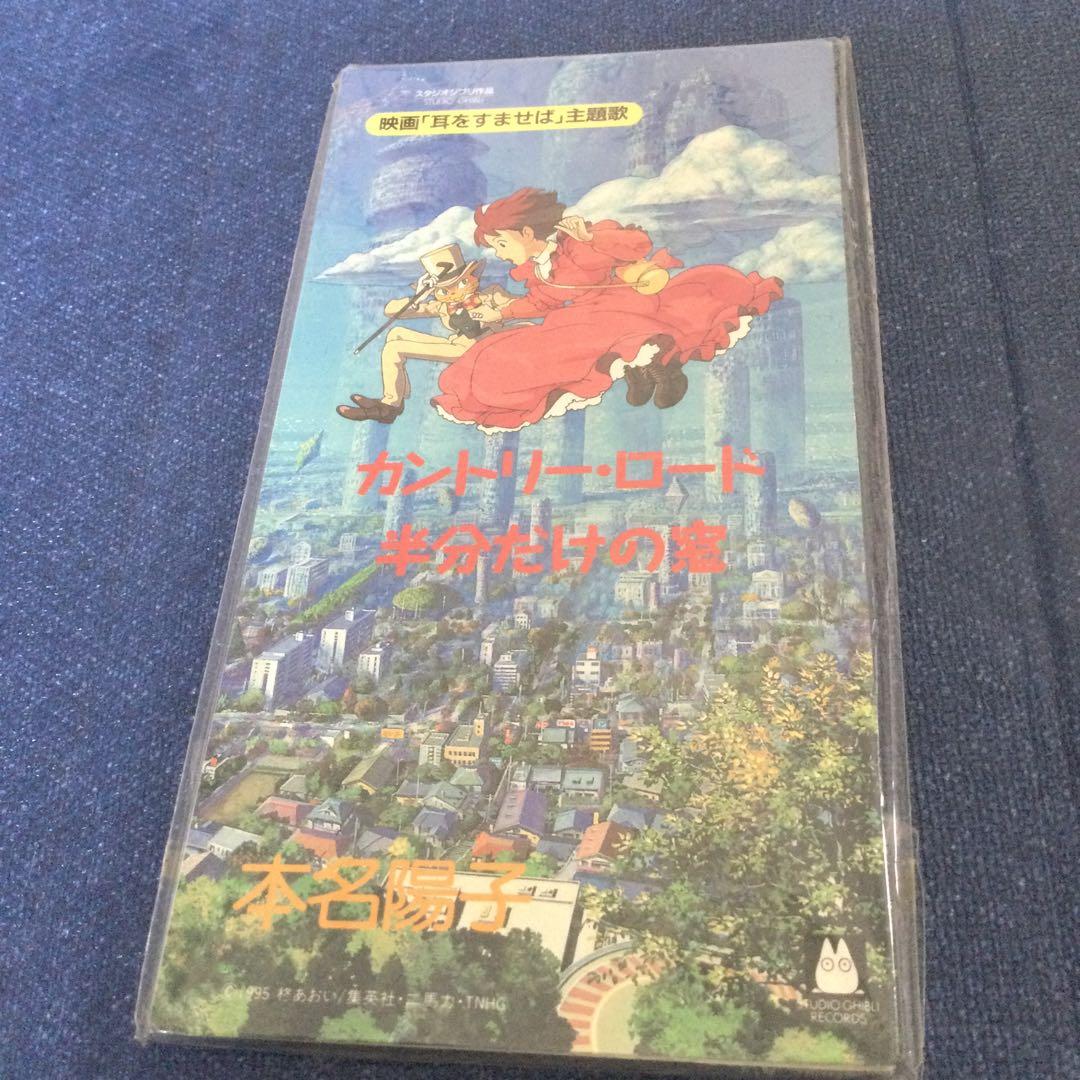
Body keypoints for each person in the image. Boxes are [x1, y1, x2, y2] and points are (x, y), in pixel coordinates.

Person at [430, 188, 783, 433]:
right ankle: (637, 369)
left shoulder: (578, 245)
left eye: (502, 244)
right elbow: (543, 302)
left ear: (525, 232)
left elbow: (638, 244)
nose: (500, 254)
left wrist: (591, 238)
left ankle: (661, 370)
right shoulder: (537, 268)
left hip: (622, 306)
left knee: (589, 340)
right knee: (502, 354)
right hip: (580, 316)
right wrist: (500, 314)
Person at [336, 244, 511, 425]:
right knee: (396, 333)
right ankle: (396, 398)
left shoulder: (491, 295)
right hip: (456, 345)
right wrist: (418, 297)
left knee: (395, 348)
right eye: (444, 290)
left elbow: (519, 307)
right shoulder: (443, 306)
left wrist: (492, 316)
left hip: (478, 349)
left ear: (473, 277)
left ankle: (390, 405)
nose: (453, 293)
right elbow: (391, 311)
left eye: (461, 283)